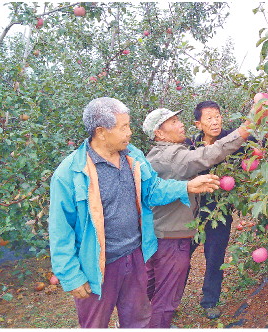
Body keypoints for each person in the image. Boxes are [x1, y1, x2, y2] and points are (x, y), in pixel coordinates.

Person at [48, 97, 219, 328]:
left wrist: (186, 186)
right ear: (101, 132)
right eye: (124, 127)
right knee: (95, 324)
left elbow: (153, 191)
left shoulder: (133, 156)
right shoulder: (70, 173)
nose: (129, 132)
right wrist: (70, 275)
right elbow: (61, 230)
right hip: (98, 266)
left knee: (138, 320)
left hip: (135, 257)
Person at [142, 107, 253, 328]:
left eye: (178, 120)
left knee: (159, 282)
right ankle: (157, 320)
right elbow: (206, 156)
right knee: (168, 285)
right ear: (159, 134)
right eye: (173, 122)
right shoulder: (175, 154)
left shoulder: (169, 151)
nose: (179, 124)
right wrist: (245, 128)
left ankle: (147, 318)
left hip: (196, 219)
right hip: (174, 232)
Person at [188, 100, 256, 319]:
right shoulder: (191, 146)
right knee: (182, 254)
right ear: (198, 124)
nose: (215, 122)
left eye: (217, 116)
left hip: (220, 208)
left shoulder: (232, 139)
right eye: (209, 118)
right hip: (194, 209)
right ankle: (169, 298)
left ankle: (210, 301)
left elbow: (256, 147)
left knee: (215, 256)